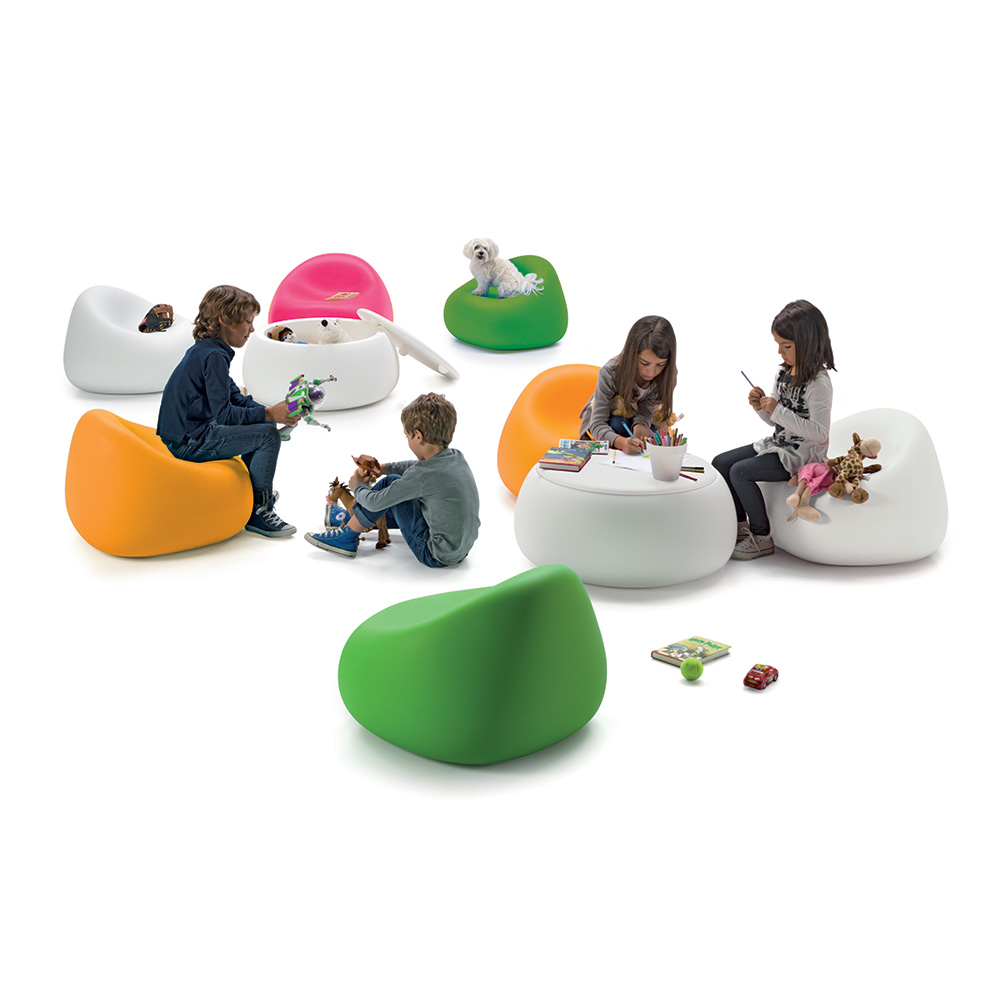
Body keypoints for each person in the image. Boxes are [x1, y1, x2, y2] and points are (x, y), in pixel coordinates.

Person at [156, 284, 300, 537]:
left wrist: (272, 412)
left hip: (189, 434)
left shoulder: (207, 350)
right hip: (189, 442)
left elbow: (233, 396)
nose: (252, 329)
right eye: (247, 321)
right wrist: (269, 415)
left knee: (266, 425)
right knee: (268, 436)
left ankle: (252, 492)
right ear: (225, 320)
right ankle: (259, 510)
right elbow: (224, 415)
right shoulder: (214, 356)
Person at [713, 299, 836, 560]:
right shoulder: (783, 373)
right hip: (778, 444)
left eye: (786, 346)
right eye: (778, 345)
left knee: (741, 472)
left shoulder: (818, 383)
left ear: (807, 343)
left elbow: (819, 433)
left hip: (802, 454)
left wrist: (778, 410)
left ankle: (762, 537)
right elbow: (775, 422)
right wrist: (761, 407)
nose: (780, 352)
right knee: (721, 463)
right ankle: (740, 527)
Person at [305, 393, 480, 565]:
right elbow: (416, 467)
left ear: (418, 436)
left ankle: (347, 537)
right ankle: (351, 520)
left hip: (434, 554)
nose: (407, 439)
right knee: (399, 491)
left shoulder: (422, 476)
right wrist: (383, 468)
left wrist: (357, 486)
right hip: (459, 549)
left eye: (407, 436)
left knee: (391, 483)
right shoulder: (455, 457)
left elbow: (374, 503)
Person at [579, 315, 678, 454]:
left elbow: (649, 408)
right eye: (644, 363)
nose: (651, 372)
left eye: (660, 364)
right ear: (632, 355)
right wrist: (620, 442)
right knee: (619, 423)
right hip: (610, 425)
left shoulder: (667, 375)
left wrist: (641, 424)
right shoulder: (610, 373)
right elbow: (597, 424)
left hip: (639, 420)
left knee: (657, 436)